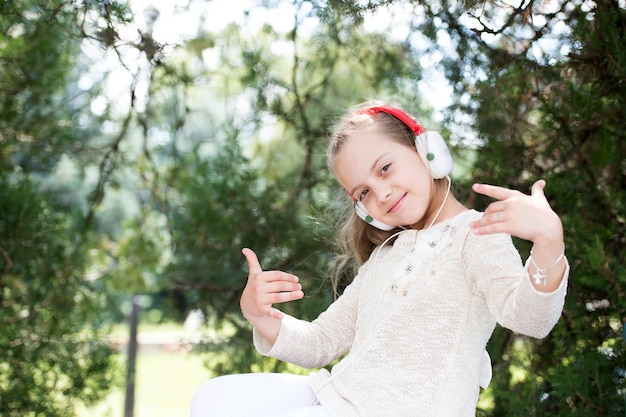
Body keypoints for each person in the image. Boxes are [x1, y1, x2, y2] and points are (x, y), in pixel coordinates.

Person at [190, 101, 569, 417]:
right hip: (336, 397)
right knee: (213, 399)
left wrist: (548, 243)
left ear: (426, 151)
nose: (382, 194)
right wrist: (259, 314)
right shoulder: (384, 257)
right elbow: (321, 341)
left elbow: (529, 319)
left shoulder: (478, 234)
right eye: (363, 192)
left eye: (385, 168)